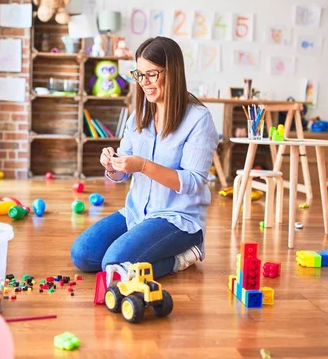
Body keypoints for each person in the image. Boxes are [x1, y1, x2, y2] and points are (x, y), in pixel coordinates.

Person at [70, 36, 219, 279]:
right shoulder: (139, 115)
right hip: (137, 211)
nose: (144, 82)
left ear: (172, 72)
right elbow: (121, 172)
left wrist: (143, 166)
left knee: (115, 265)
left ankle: (182, 257)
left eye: (152, 74)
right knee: (83, 254)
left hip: (178, 219)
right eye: (139, 75)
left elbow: (193, 183)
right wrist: (112, 165)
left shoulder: (198, 119)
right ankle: (143, 251)